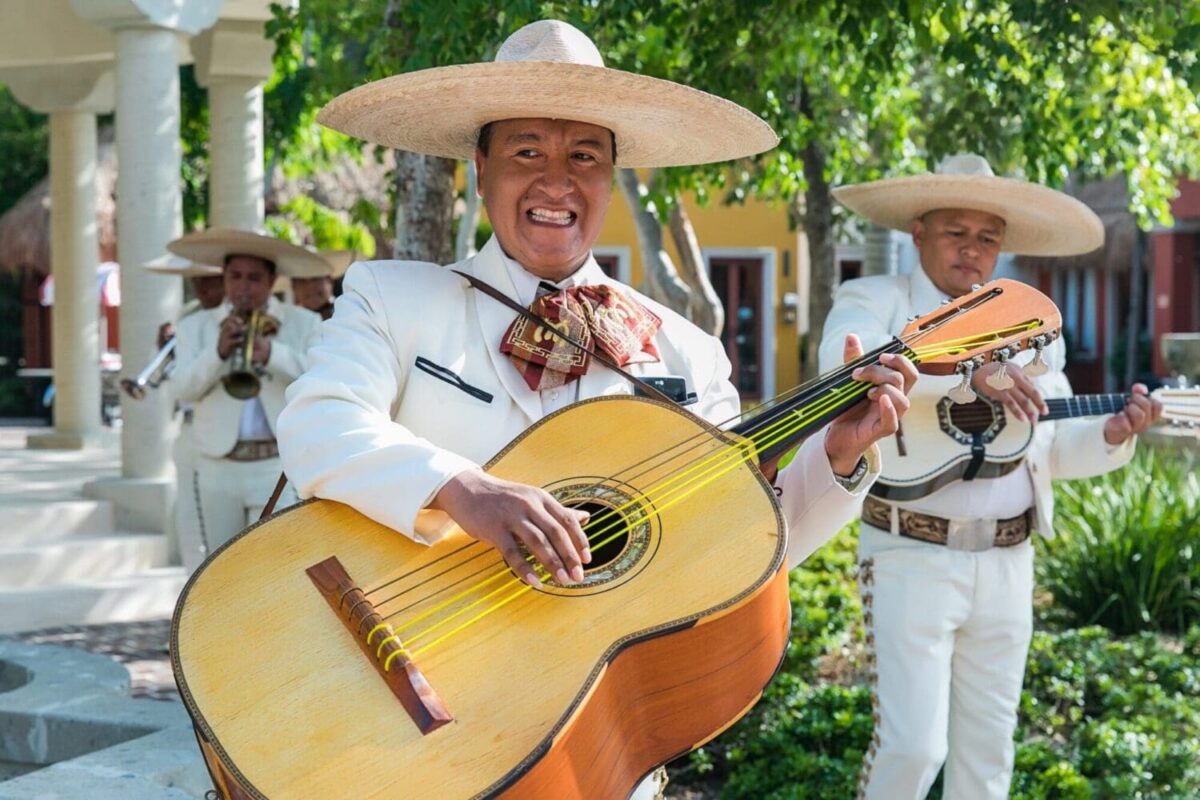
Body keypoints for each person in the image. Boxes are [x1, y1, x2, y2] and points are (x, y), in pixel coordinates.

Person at [277, 20, 917, 800]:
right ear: (479, 168)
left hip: (595, 743)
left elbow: (743, 549)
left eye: (583, 155)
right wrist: (461, 488)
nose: (556, 181)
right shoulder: (393, 298)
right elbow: (317, 425)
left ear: (612, 177)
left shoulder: (684, 353)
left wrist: (839, 457)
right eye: (526, 152)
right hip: (409, 710)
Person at [821, 154, 1164, 800]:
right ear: (917, 232)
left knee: (988, 758)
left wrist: (1114, 435)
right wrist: (968, 365)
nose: (972, 251)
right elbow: (852, 366)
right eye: (956, 232)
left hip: (1010, 560)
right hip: (909, 552)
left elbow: (1054, 446)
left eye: (987, 237)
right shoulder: (873, 299)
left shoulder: (1033, 327)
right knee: (912, 750)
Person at [168, 229, 325, 554]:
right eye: (235, 276)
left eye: (254, 278)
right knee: (218, 565)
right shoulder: (195, 327)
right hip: (217, 464)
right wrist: (217, 353)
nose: (243, 287)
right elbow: (182, 390)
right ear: (224, 278)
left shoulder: (304, 323)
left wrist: (272, 354)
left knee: (274, 563)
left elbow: (320, 380)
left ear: (272, 282)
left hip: (276, 464)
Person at [141, 255, 225, 571]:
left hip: (222, 429)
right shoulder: (186, 319)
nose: (202, 289)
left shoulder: (239, 321)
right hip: (190, 427)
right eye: (197, 282)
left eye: (211, 281)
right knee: (189, 518)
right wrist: (162, 349)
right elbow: (171, 380)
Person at [289, 249, 351, 320]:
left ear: (329, 280)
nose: (310, 286)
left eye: (315, 278)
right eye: (302, 281)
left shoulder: (349, 313)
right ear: (293, 287)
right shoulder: (285, 322)